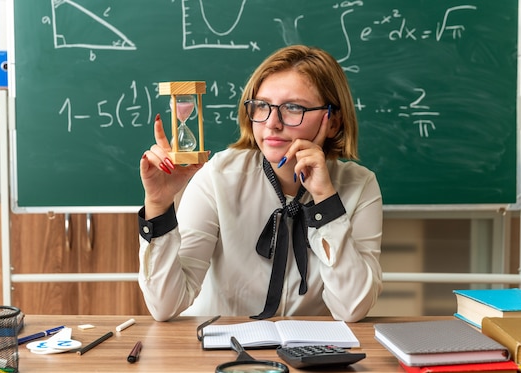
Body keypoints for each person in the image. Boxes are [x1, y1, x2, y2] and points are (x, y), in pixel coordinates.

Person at [138, 45, 383, 322]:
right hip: (217, 350)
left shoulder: (360, 186)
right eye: (262, 106)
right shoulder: (219, 176)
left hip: (308, 353)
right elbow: (165, 306)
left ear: (334, 121)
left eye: (293, 108)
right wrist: (158, 206)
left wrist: (325, 203)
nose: (272, 124)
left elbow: (352, 308)